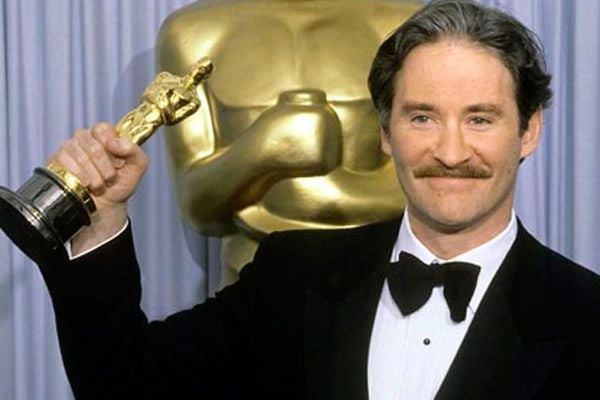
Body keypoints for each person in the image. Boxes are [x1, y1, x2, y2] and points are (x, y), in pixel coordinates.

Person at [38, 0, 600, 399]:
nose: (450, 152)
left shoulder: (587, 315)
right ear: (386, 132)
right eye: (422, 117)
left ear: (529, 130)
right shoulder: (293, 273)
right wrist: (99, 226)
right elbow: (127, 383)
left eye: (479, 119)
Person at [155, 0, 418, 280]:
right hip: (250, 282)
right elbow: (199, 210)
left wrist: (327, 192)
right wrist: (263, 148)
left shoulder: (401, 23)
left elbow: (431, 178)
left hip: (379, 275)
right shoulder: (192, 32)